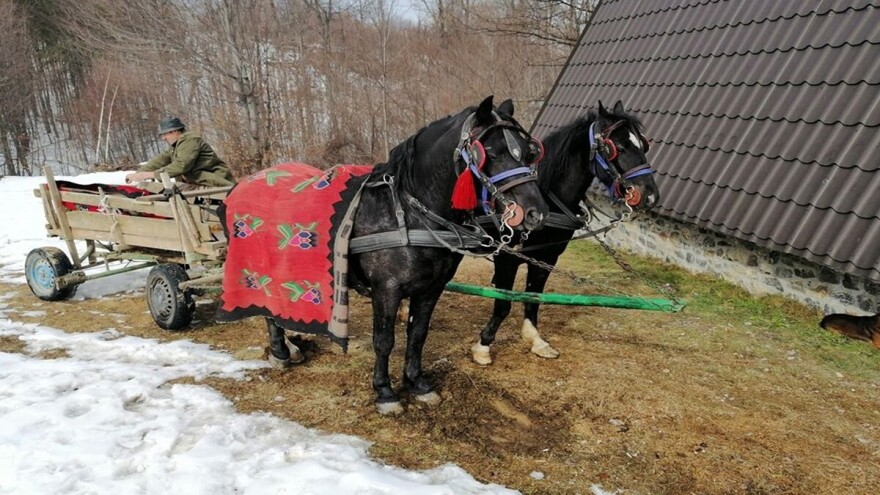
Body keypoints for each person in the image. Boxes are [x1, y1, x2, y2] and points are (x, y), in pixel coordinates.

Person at [125, 116, 235, 190]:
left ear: (175, 131)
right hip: (199, 183)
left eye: (165, 134)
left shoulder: (190, 140)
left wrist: (151, 174)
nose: (163, 138)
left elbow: (181, 165)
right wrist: (138, 173)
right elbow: (161, 159)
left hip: (214, 183)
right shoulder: (177, 144)